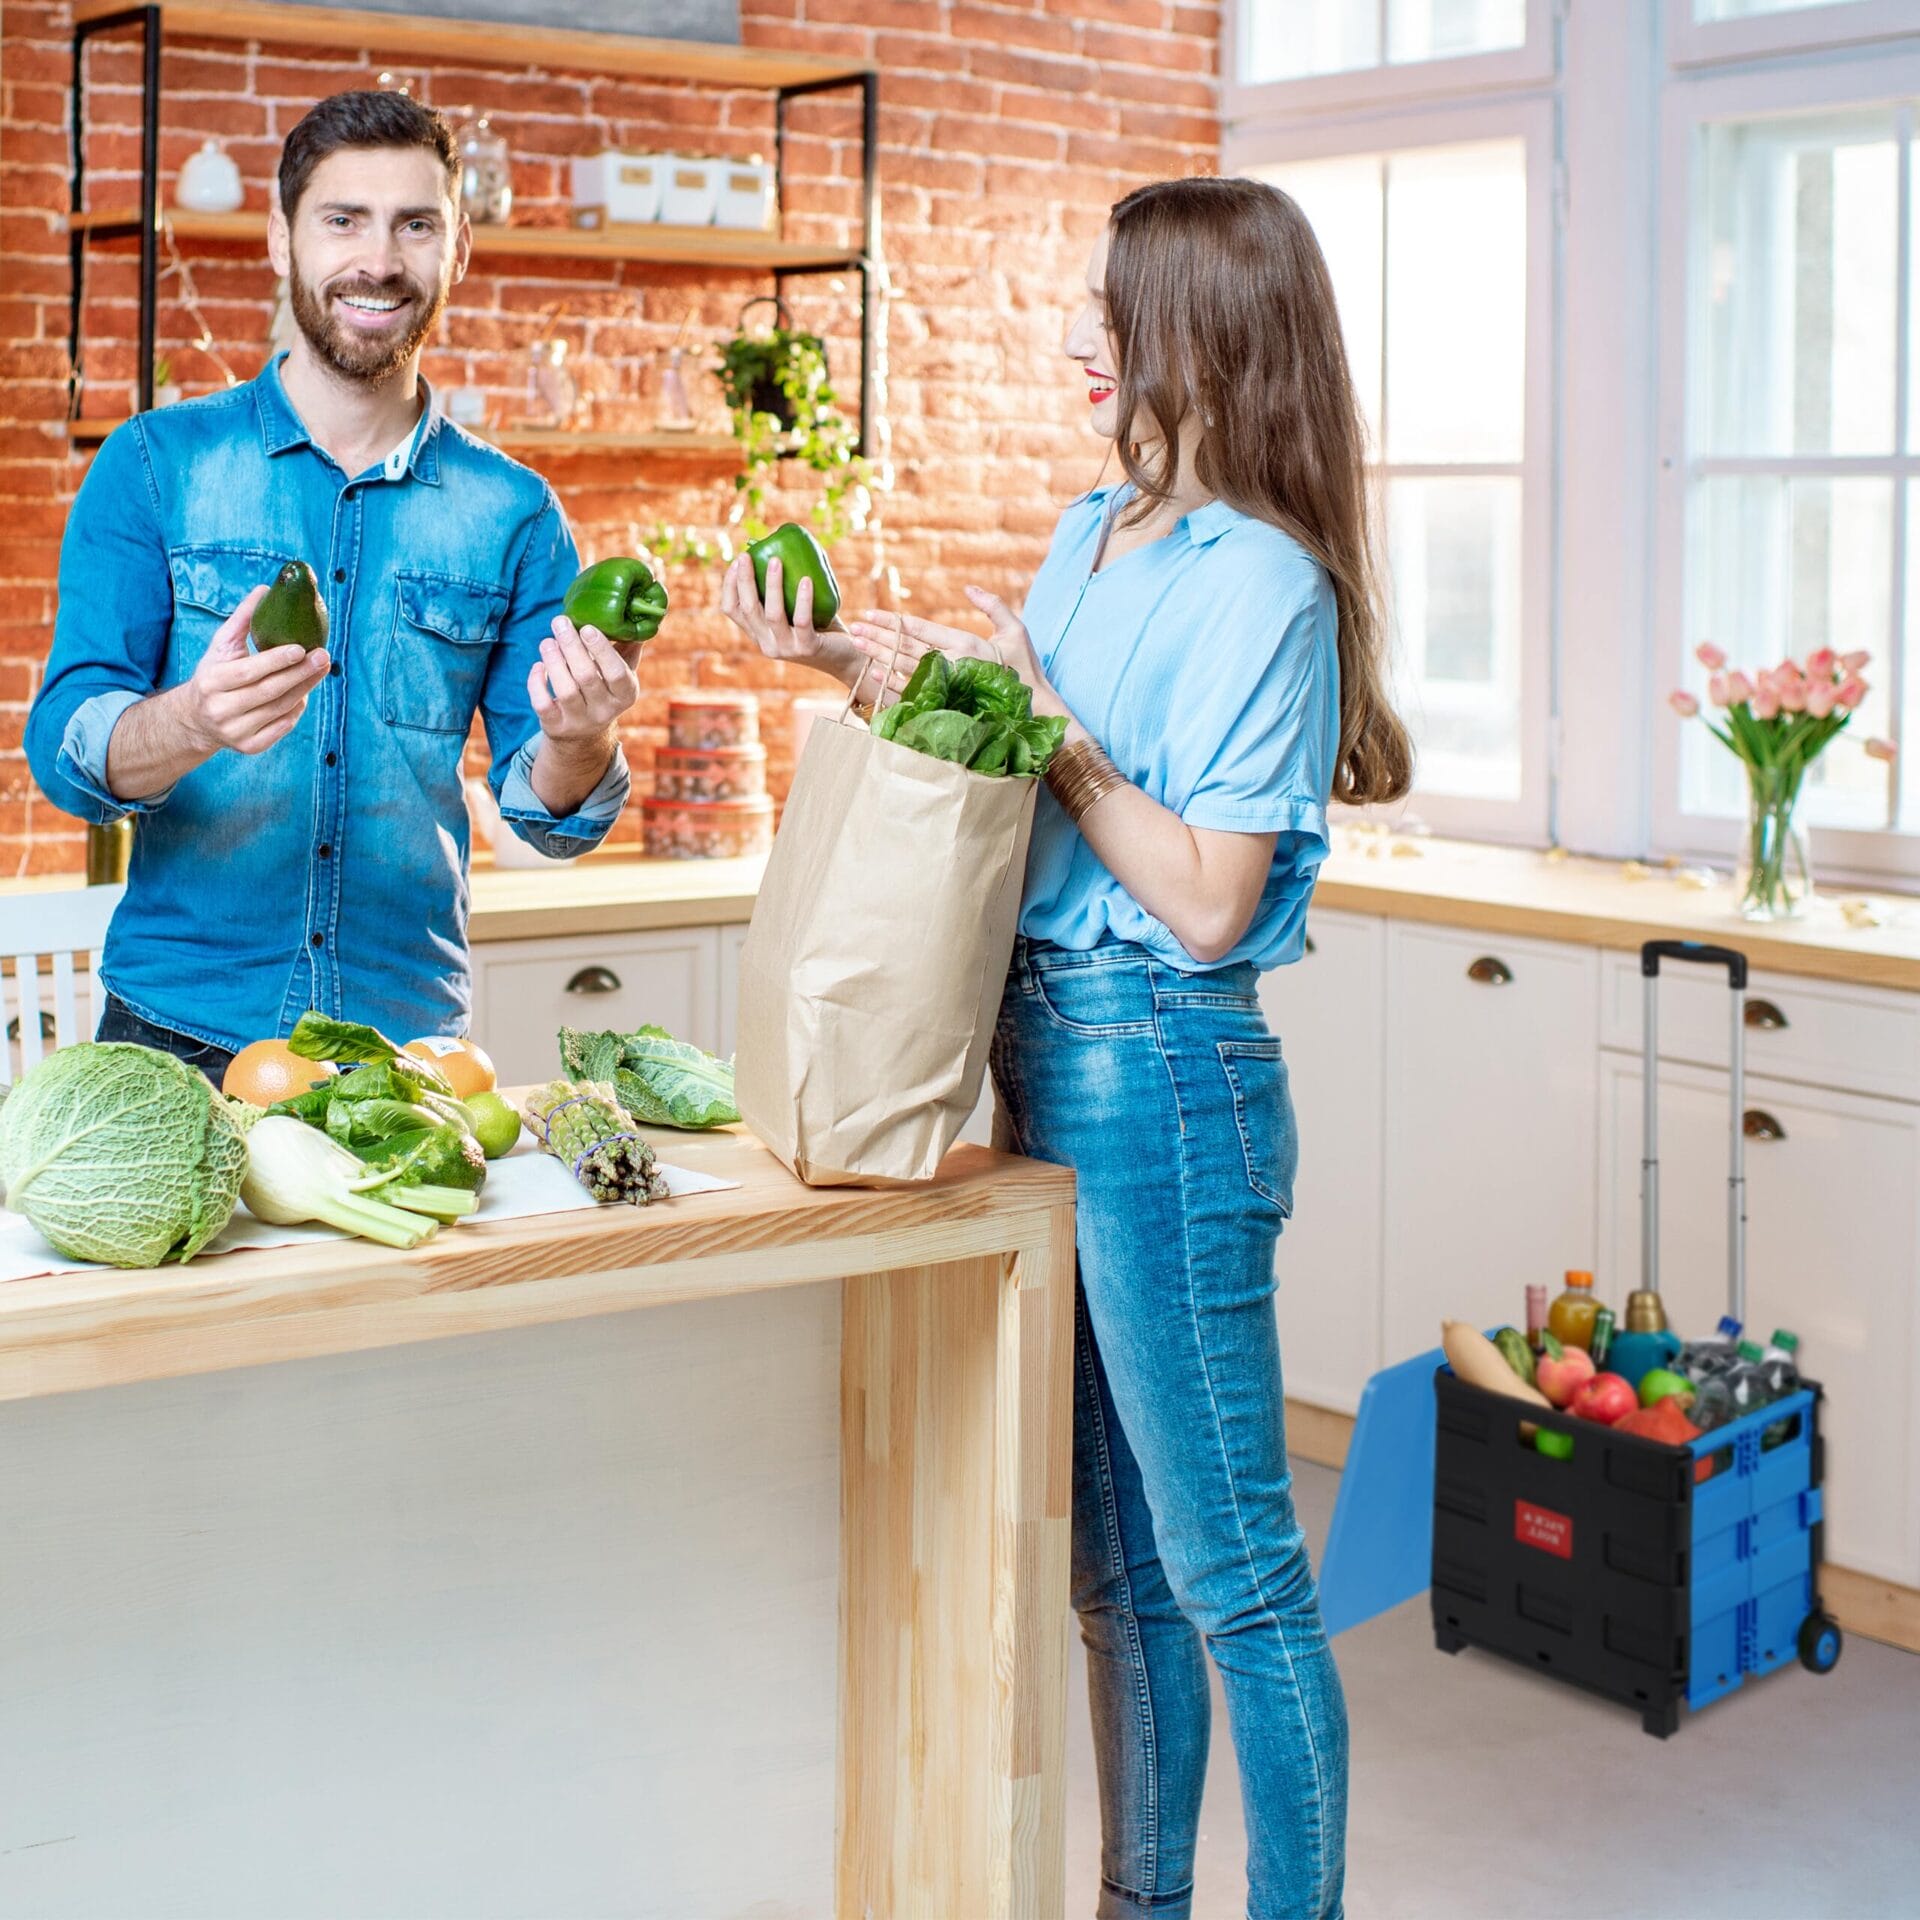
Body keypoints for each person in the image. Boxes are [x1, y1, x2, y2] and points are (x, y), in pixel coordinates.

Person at [722, 175, 1411, 1920]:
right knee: (1114, 1576)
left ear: (1200, 335)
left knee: (1235, 1574)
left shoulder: (1271, 587)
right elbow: (1018, 778)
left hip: (1166, 1068)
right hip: (1045, 1046)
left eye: (1112, 310)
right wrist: (860, 669)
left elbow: (1194, 892)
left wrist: (1060, 732)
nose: (1082, 338)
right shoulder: (1090, 526)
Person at [27, 91, 640, 1083]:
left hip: (404, 1050)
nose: (380, 259)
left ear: (457, 249)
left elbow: (547, 815)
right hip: (171, 1035)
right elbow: (67, 759)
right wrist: (193, 721)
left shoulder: (516, 514)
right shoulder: (154, 466)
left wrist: (578, 740)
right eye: (343, 219)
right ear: (282, 240)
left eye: (415, 224)